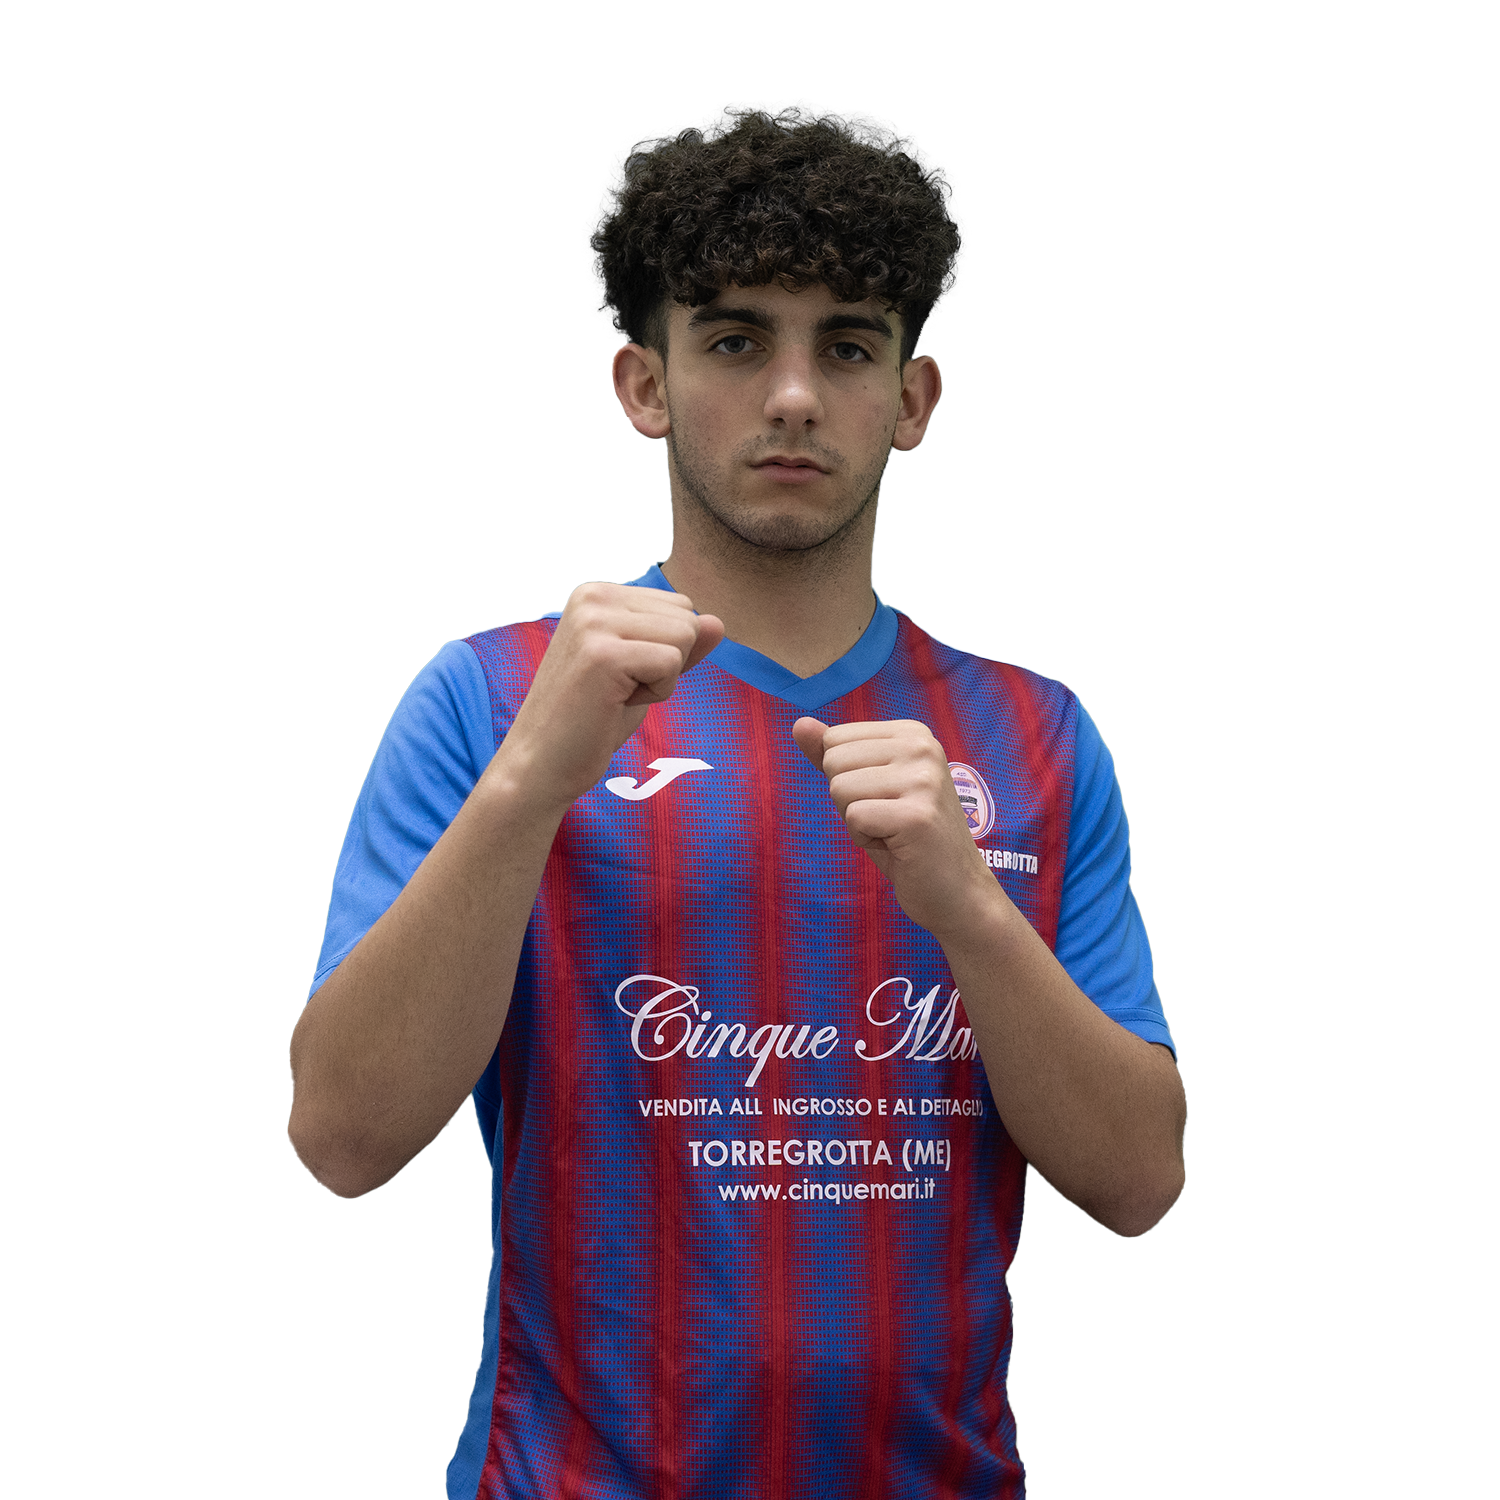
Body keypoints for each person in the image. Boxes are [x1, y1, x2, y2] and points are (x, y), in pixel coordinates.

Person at [289, 109, 1185, 1500]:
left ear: (912, 399)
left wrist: (970, 911)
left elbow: (1137, 1179)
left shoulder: (1033, 738)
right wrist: (530, 785)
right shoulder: (493, 702)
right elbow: (343, 1139)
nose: (793, 395)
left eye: (848, 347)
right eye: (734, 340)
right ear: (645, 383)